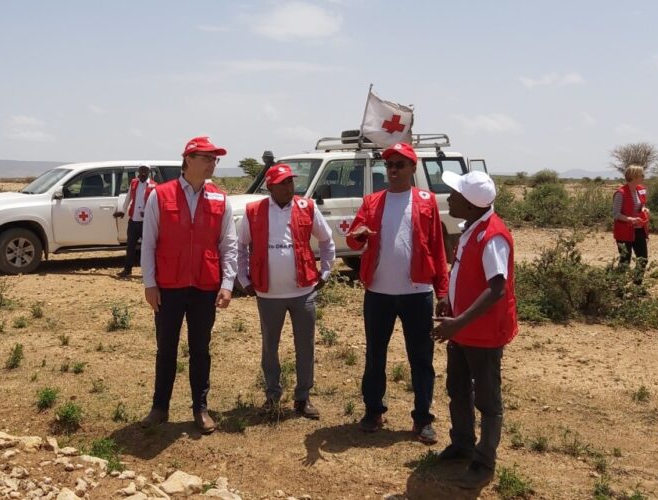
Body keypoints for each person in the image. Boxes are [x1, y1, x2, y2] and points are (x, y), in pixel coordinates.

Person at [345, 142, 448, 444]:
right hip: (378, 293)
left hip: (417, 293)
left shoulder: (427, 201)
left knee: (421, 358)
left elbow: (437, 248)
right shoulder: (372, 201)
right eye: (389, 165)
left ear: (413, 168)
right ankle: (373, 410)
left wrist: (443, 291)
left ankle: (422, 418)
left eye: (400, 165)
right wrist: (358, 237)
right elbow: (352, 239)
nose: (392, 170)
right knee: (375, 355)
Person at [139, 136, 237, 434]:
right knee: (166, 348)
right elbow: (149, 242)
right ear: (188, 159)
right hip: (168, 286)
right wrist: (149, 283)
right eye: (207, 158)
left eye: (214, 159)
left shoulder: (220, 199)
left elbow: (229, 245)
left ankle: (200, 408)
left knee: (200, 349)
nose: (212, 164)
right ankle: (160, 407)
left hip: (205, 287)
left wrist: (228, 283)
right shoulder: (160, 195)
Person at [431, 170, 517, 490]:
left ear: (470, 204)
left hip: (483, 333)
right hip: (464, 329)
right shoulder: (472, 228)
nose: (449, 198)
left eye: (455, 195)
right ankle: (463, 444)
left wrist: (458, 321)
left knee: (487, 400)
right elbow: (466, 275)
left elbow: (496, 289)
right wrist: (449, 300)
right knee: (457, 389)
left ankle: (484, 462)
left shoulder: (492, 236)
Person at [237, 163, 335, 419]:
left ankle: (303, 397)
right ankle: (272, 395)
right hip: (268, 294)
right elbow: (241, 247)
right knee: (270, 346)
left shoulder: (307, 207)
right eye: (283, 183)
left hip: (303, 292)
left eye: (291, 181)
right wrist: (244, 278)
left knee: (305, 345)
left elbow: (327, 240)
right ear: (270, 186)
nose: (289, 186)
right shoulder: (254, 211)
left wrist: (325, 272)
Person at [114, 164, 157, 277]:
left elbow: (155, 203)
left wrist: (147, 212)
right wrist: (123, 211)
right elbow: (128, 197)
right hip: (133, 221)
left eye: (145, 171)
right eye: (141, 171)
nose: (143, 173)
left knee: (148, 248)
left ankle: (150, 272)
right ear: (138, 171)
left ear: (149, 172)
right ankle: (127, 270)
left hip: (146, 223)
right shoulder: (134, 183)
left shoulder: (153, 185)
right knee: (130, 246)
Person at [612, 165, 650, 285]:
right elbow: (616, 214)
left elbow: (642, 205)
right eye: (641, 175)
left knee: (643, 259)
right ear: (634, 176)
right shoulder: (620, 193)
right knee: (625, 260)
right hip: (624, 231)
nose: (643, 177)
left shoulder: (640, 190)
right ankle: (619, 287)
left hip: (639, 230)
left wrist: (644, 209)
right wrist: (631, 219)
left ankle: (637, 286)